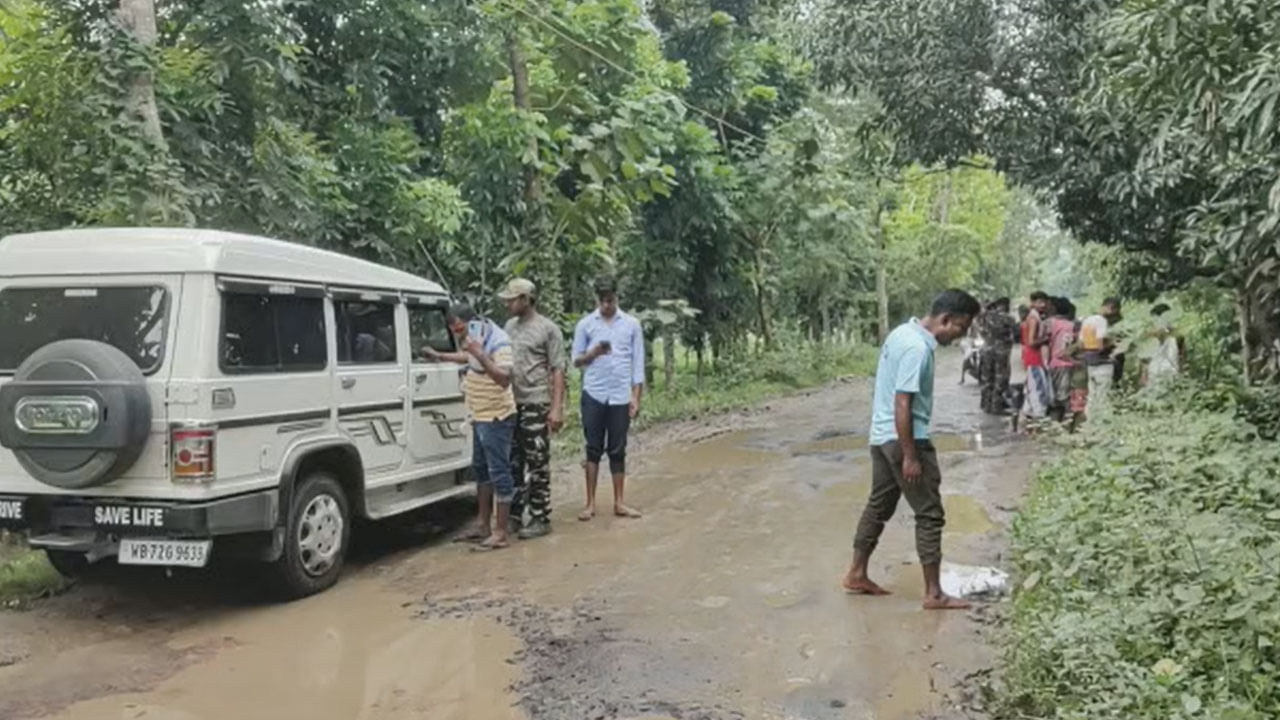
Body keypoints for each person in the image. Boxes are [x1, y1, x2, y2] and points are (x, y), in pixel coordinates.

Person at [842, 289, 983, 610]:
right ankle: (934, 593)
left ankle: (856, 572)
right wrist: (910, 456)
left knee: (879, 506)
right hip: (905, 440)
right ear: (946, 319)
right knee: (930, 513)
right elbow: (902, 402)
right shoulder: (917, 348)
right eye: (960, 327)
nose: (959, 334)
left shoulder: (900, 333)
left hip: (880, 438)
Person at [424, 304, 517, 551]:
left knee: (499, 471)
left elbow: (504, 378)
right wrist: (442, 356)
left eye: (460, 328)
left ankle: (500, 531)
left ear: (470, 321)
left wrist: (480, 353)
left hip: (496, 415)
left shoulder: (498, 340)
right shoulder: (474, 337)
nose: (458, 334)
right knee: (481, 470)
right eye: (454, 330)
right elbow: (468, 357)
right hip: (478, 413)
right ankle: (483, 525)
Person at [572, 275, 645, 521]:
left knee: (618, 448)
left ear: (616, 297)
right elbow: (576, 360)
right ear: (597, 299)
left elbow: (637, 364)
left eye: (610, 300)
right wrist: (592, 353)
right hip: (594, 393)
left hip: (619, 395)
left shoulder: (631, 324)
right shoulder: (586, 325)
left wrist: (636, 397)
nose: (606, 305)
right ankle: (590, 503)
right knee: (592, 448)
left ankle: (619, 502)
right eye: (602, 301)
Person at [499, 278, 567, 540]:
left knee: (537, 460)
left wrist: (556, 408)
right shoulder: (509, 327)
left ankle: (540, 515)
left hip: (536, 401)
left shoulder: (548, 329)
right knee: (513, 460)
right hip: (511, 402)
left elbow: (557, 369)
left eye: (512, 299)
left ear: (526, 299)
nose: (508, 304)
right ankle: (515, 514)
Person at [1080, 297, 1122, 413]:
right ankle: (1101, 423)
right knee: (1103, 397)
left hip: (1090, 363)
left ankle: (1090, 422)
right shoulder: (1102, 321)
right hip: (1103, 364)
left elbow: (1081, 344)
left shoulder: (1087, 321)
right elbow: (1100, 345)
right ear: (1111, 308)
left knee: (1092, 396)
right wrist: (1114, 342)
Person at [976, 297, 1018, 414]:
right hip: (1001, 351)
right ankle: (996, 407)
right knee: (1000, 379)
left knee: (986, 378)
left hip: (986, 349)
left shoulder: (985, 316)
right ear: (1006, 306)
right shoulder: (1009, 318)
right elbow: (1016, 333)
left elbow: (980, 328)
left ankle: (985, 405)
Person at [1019, 291, 1053, 426]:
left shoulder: (1033, 316)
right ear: (1032, 302)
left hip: (1032, 357)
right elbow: (1031, 342)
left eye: (1044, 302)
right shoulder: (1033, 318)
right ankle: (1039, 419)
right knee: (1039, 389)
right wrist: (1046, 339)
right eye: (1039, 302)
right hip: (1034, 358)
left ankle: (1027, 418)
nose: (1043, 305)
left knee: (1032, 388)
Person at [1046, 297, 1077, 423]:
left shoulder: (1049, 323)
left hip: (1052, 363)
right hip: (1068, 363)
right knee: (1065, 396)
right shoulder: (1073, 325)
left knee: (1053, 397)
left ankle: (1055, 423)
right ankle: (1067, 422)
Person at [1142, 303, 1183, 386]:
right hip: (1155, 372)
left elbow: (1182, 356)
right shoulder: (1151, 335)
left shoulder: (1176, 336)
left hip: (1169, 373)